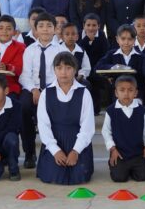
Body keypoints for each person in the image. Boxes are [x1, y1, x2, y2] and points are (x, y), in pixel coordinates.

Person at [36, 52, 96, 184]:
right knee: (54, 175)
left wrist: (76, 151)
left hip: (77, 141)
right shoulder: (46, 93)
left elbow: (88, 127)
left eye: (68, 68)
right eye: (59, 68)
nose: (64, 72)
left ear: (75, 70)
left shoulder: (84, 93)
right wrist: (55, 150)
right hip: (55, 141)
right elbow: (43, 125)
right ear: (54, 70)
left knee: (78, 176)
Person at [19, 12, 60, 169]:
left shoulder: (60, 50)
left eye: (49, 26)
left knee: (54, 112)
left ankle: (51, 151)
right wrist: (34, 89)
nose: (45, 29)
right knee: (23, 108)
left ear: (55, 29)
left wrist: (47, 91)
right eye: (41, 26)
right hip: (32, 88)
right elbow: (24, 75)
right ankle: (30, 153)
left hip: (53, 89)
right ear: (35, 30)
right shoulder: (29, 50)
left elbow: (62, 75)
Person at [102, 75, 145, 182]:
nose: (126, 93)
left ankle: (136, 167)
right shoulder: (111, 111)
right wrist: (113, 149)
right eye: (122, 90)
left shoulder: (141, 110)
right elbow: (106, 132)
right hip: (119, 153)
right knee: (119, 178)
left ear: (135, 93)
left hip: (137, 153)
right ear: (116, 93)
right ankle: (121, 167)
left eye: (130, 90)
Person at [95, 24, 145, 100]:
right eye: (123, 39)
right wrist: (113, 67)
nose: (126, 42)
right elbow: (98, 66)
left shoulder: (141, 56)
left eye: (130, 39)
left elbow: (143, 75)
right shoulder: (111, 54)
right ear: (117, 39)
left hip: (136, 94)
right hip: (117, 94)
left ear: (135, 40)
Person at [80, 13, 110, 114]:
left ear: (99, 26)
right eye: (88, 25)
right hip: (83, 68)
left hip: (96, 67)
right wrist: (87, 40)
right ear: (83, 25)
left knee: (97, 81)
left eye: (94, 25)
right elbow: (79, 51)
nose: (91, 28)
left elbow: (105, 53)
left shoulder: (101, 35)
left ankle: (96, 109)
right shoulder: (80, 35)